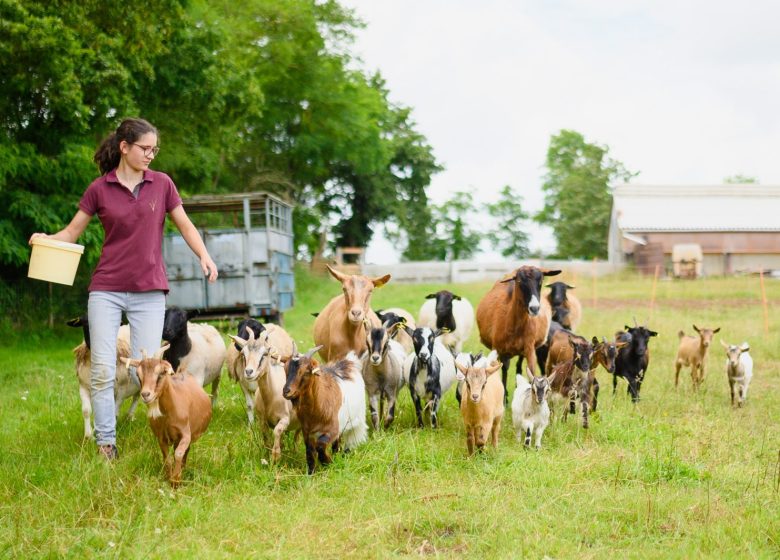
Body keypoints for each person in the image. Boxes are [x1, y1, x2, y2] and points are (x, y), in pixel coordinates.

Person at [29, 118, 218, 461]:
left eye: (154, 149)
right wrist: (46, 239)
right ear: (124, 147)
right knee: (102, 368)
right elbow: (71, 233)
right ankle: (106, 444)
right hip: (107, 289)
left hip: (149, 290)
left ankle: (166, 429)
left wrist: (204, 255)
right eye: (145, 148)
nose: (151, 155)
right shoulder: (99, 189)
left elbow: (185, 224)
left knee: (148, 367)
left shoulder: (161, 184)